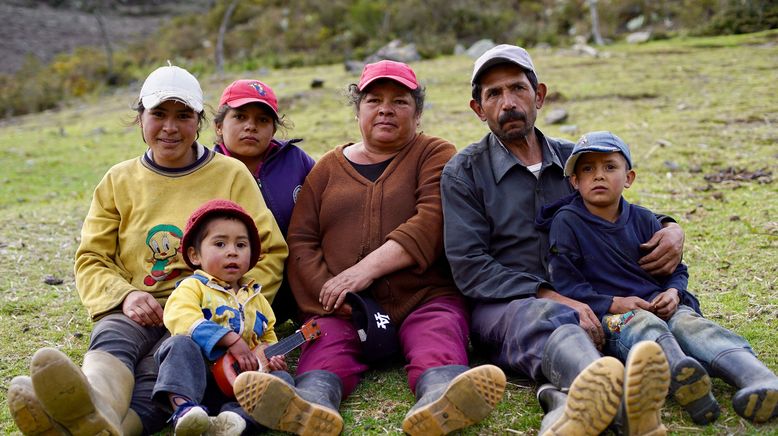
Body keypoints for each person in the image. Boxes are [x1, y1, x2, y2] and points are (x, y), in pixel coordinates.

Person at [7, 64, 288, 436]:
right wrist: (125, 296)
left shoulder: (231, 175)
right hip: (139, 310)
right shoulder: (118, 180)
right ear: (140, 117)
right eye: (158, 114)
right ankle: (94, 401)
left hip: (202, 316)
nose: (170, 128)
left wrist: (231, 310)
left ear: (200, 121)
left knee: (163, 374)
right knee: (114, 338)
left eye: (183, 116)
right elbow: (91, 259)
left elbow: (269, 252)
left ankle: (91, 424)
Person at [230, 60, 507, 436]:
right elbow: (302, 241)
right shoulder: (326, 168)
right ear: (358, 109)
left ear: (418, 111)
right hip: (342, 310)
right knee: (325, 351)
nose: (386, 109)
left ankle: (441, 398)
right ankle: (310, 406)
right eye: (374, 99)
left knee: (438, 334)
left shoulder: (435, 153)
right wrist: (329, 295)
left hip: (423, 297)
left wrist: (360, 273)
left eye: (400, 101)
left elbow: (431, 220)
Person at [440, 44, 686, 435]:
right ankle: (619, 400)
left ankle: (569, 404)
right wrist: (554, 297)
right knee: (553, 317)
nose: (508, 103)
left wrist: (671, 227)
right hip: (509, 307)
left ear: (539, 95)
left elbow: (623, 212)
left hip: (590, 296)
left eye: (518, 89)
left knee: (616, 317)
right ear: (478, 109)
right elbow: (470, 267)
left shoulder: (577, 160)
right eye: (493, 94)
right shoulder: (464, 173)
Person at [543, 131, 778, 425]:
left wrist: (674, 293)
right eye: (587, 169)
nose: (598, 176)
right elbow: (567, 284)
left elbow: (676, 269)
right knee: (643, 324)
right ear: (575, 182)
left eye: (609, 167)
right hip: (615, 318)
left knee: (691, 324)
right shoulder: (567, 222)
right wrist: (615, 303)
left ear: (629, 178)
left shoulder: (645, 220)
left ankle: (758, 378)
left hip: (662, 305)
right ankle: (683, 377)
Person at [152, 199, 290, 435]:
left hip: (239, 384)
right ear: (195, 255)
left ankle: (235, 421)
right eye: (220, 243)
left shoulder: (257, 299)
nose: (232, 252)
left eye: (241, 245)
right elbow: (180, 318)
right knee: (178, 344)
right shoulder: (192, 287)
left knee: (283, 379)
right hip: (199, 378)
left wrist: (272, 357)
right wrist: (229, 339)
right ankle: (185, 410)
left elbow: (268, 335)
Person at [213, 79, 315, 323]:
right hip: (237, 288)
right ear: (219, 126)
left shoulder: (296, 160)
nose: (251, 126)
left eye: (262, 120)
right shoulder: (208, 172)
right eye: (240, 117)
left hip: (301, 280)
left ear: (274, 129)